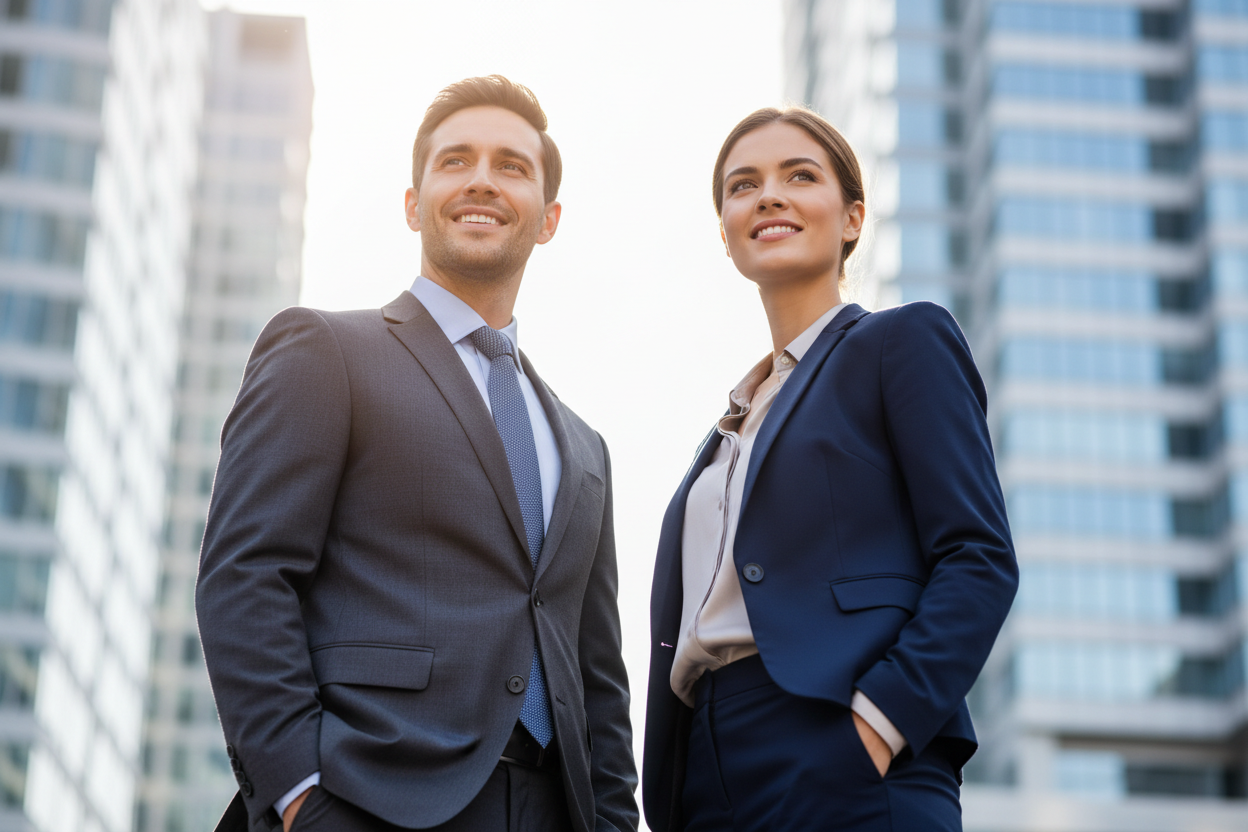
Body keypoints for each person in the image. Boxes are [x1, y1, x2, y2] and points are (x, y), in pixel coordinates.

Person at [197, 75, 637, 832]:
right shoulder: (326, 350)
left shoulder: (584, 448)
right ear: (413, 202)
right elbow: (246, 576)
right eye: (455, 160)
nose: (481, 181)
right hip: (367, 796)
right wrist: (301, 792)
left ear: (548, 218)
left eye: (511, 165)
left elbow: (598, 679)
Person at [641, 106, 1018, 831]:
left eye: (799, 176)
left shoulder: (900, 343)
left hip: (841, 742)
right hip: (706, 773)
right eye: (743, 185)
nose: (769, 196)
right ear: (725, 233)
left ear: (852, 218)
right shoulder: (726, 430)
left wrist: (878, 723)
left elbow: (978, 558)